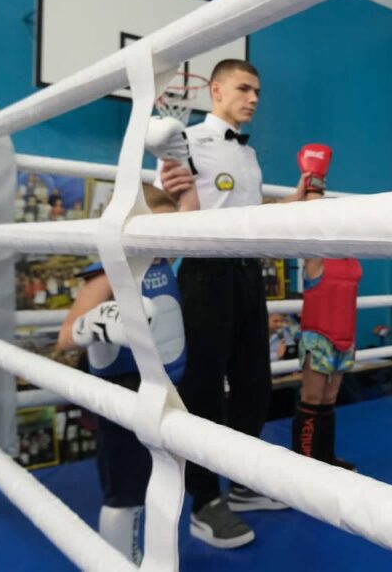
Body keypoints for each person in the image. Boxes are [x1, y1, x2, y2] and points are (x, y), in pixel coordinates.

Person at [152, 59, 306, 548]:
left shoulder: (249, 153)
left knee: (255, 382)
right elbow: (164, 206)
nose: (254, 98)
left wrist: (292, 203)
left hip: (247, 273)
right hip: (205, 273)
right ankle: (203, 500)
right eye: (244, 88)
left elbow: (249, 215)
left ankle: (241, 481)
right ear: (215, 90)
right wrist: (169, 193)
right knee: (202, 387)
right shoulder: (186, 142)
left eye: (257, 90)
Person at [53, 184, 186, 564]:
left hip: (160, 388)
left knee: (150, 482)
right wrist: (98, 322)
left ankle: (139, 556)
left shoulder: (160, 260)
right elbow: (65, 337)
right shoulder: (110, 271)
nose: (166, 239)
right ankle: (117, 562)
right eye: (158, 229)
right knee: (125, 490)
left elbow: (189, 213)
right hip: (124, 391)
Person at [288, 145, 360, 471]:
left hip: (345, 338)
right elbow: (312, 222)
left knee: (330, 400)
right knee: (312, 399)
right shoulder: (316, 258)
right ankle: (304, 466)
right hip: (318, 337)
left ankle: (325, 459)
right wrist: (314, 185)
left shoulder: (353, 256)